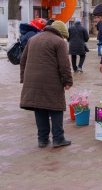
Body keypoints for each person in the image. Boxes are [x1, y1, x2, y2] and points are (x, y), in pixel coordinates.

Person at [20, 20, 73, 148]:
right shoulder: (59, 42)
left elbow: (23, 60)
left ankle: (42, 139)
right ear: (61, 33)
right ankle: (58, 138)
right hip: (51, 80)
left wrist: (24, 79)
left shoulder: (33, 39)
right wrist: (67, 81)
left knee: (39, 108)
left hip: (32, 80)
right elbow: (64, 65)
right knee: (56, 108)